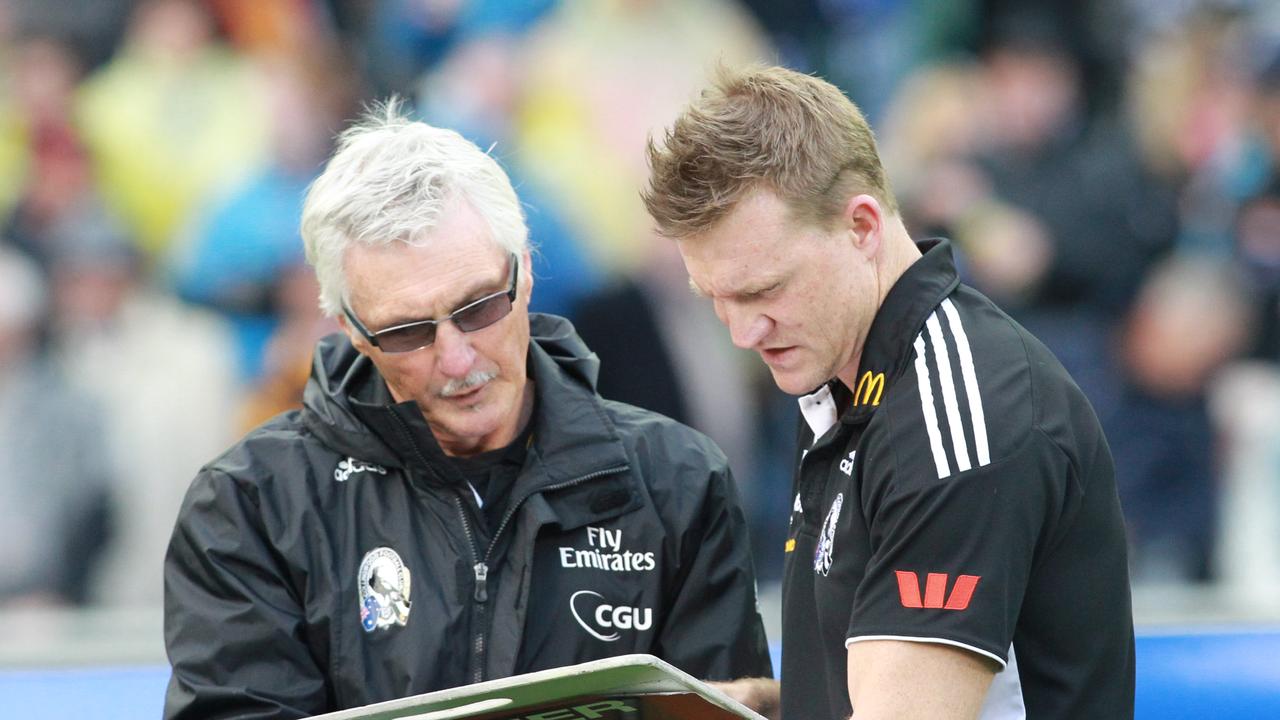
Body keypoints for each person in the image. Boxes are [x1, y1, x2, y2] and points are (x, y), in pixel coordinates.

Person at [163, 102, 773, 719]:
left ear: (526, 273)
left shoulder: (678, 481)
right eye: (406, 331)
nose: (456, 360)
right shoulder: (250, 505)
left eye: (478, 306)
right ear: (351, 329)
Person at [644, 65, 1134, 720]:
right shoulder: (841, 374)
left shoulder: (956, 411)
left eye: (762, 290)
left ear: (863, 226)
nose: (742, 332)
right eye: (716, 300)